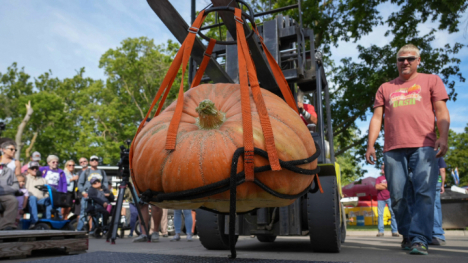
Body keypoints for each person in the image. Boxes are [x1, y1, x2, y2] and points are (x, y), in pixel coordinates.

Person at [365, 44, 450, 255]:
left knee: (424, 193)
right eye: (401, 59)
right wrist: (370, 144)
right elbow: (377, 118)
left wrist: (443, 137)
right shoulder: (385, 87)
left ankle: (420, 238)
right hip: (393, 149)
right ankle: (407, 234)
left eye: (410, 58)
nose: (405, 62)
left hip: (424, 146)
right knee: (397, 196)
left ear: (418, 60)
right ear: (396, 62)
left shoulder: (432, 80)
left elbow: (441, 111)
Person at [76, 155, 108, 231]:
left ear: (98, 162)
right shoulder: (86, 172)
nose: (94, 161)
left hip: (98, 197)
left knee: (95, 213)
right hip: (87, 196)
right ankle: (79, 230)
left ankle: (94, 230)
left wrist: (104, 192)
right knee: (84, 213)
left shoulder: (102, 172)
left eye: (96, 160)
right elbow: (80, 183)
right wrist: (83, 192)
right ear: (90, 162)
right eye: (92, 160)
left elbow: (105, 183)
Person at [375, 164, 398, 237]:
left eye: (383, 168)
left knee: (393, 214)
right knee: (380, 215)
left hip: (390, 197)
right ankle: (381, 231)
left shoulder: (391, 177)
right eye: (381, 168)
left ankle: (394, 231)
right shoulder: (379, 178)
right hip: (380, 199)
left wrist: (383, 185)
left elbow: (391, 185)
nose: (382, 170)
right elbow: (377, 186)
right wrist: (386, 185)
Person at [25, 161, 49, 229]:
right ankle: (34, 222)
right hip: (29, 201)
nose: (35, 169)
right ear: (28, 170)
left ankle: (48, 220)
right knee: (33, 198)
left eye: (36, 168)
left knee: (51, 199)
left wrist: (46, 197)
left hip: (41, 201)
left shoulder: (43, 180)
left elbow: (47, 192)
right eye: (32, 168)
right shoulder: (25, 178)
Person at [431, 157, 447, 245]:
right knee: (437, 206)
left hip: (430, 180)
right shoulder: (439, 155)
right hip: (438, 180)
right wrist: (442, 185)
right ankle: (439, 233)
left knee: (432, 207)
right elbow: (442, 170)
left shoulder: (426, 151)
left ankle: (437, 234)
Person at [0, 161, 19, 230]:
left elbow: (16, 184)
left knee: (13, 201)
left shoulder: (8, 170)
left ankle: (6, 225)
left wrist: (10, 189)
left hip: (6, 194)